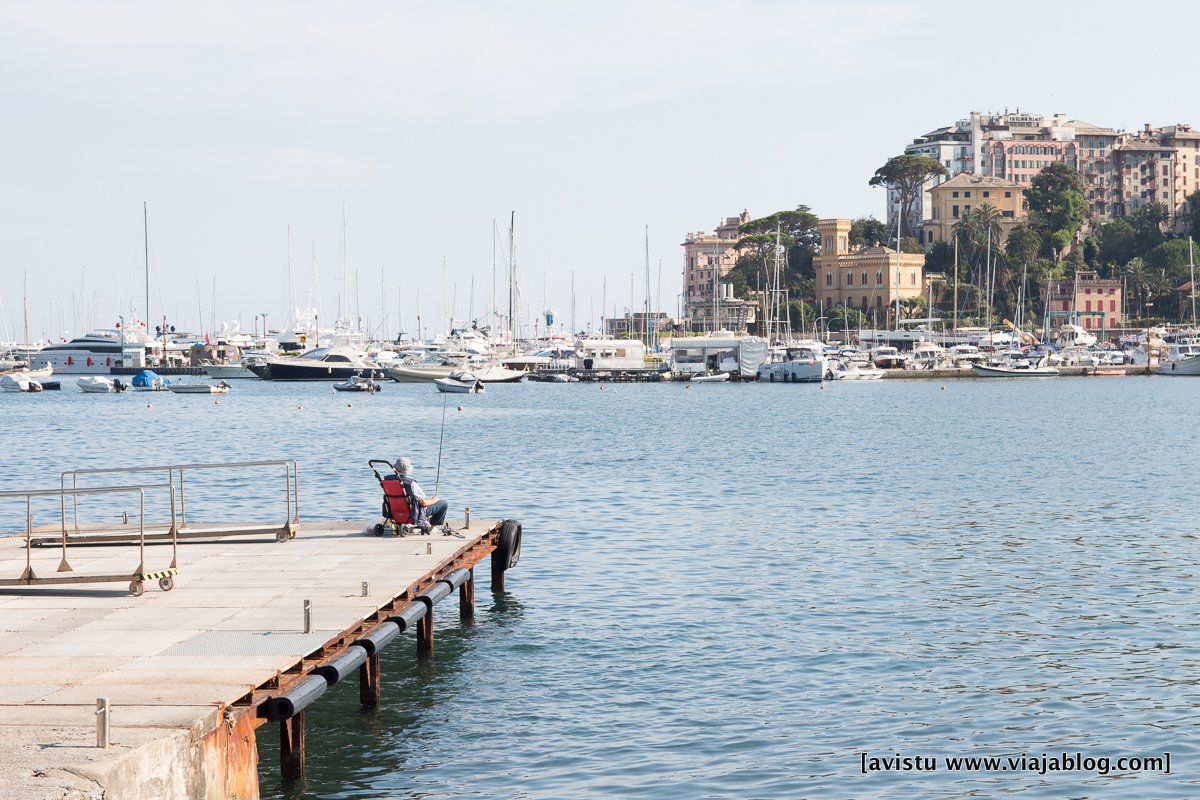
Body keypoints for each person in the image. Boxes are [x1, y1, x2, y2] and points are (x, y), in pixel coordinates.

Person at [394, 456, 447, 529]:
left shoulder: (390, 481)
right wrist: (434, 500)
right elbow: (423, 503)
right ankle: (432, 527)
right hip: (414, 512)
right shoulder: (411, 483)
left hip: (396, 510)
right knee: (443, 504)